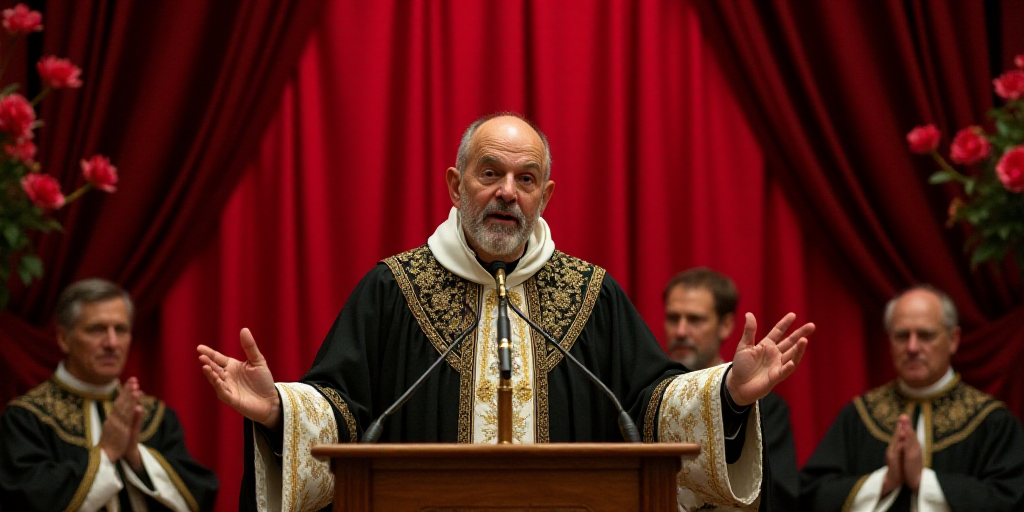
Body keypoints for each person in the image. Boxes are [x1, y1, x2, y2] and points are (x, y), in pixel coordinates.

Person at [197, 113, 815, 512]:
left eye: (526, 179)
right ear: (453, 185)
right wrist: (281, 410)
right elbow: (344, 411)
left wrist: (728, 396)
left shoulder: (591, 293)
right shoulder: (393, 288)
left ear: (545, 196)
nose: (506, 193)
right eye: (489, 173)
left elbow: (652, 408)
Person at [0, 278, 219, 512]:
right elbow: (25, 500)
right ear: (64, 339)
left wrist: (137, 456)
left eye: (121, 330)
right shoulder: (27, 418)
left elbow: (198, 496)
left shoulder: (154, 415)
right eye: (97, 329)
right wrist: (106, 453)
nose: (112, 343)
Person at [800, 285, 1024, 511]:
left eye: (926, 335)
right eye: (901, 335)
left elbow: (1010, 499)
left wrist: (924, 481)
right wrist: (885, 481)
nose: (912, 347)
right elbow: (812, 494)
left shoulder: (992, 421)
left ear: (954, 339)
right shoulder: (859, 416)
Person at [663, 268, 799, 511]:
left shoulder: (765, 406)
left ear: (725, 325)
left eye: (695, 320)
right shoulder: (651, 396)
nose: (681, 331)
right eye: (673, 318)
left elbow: (778, 495)